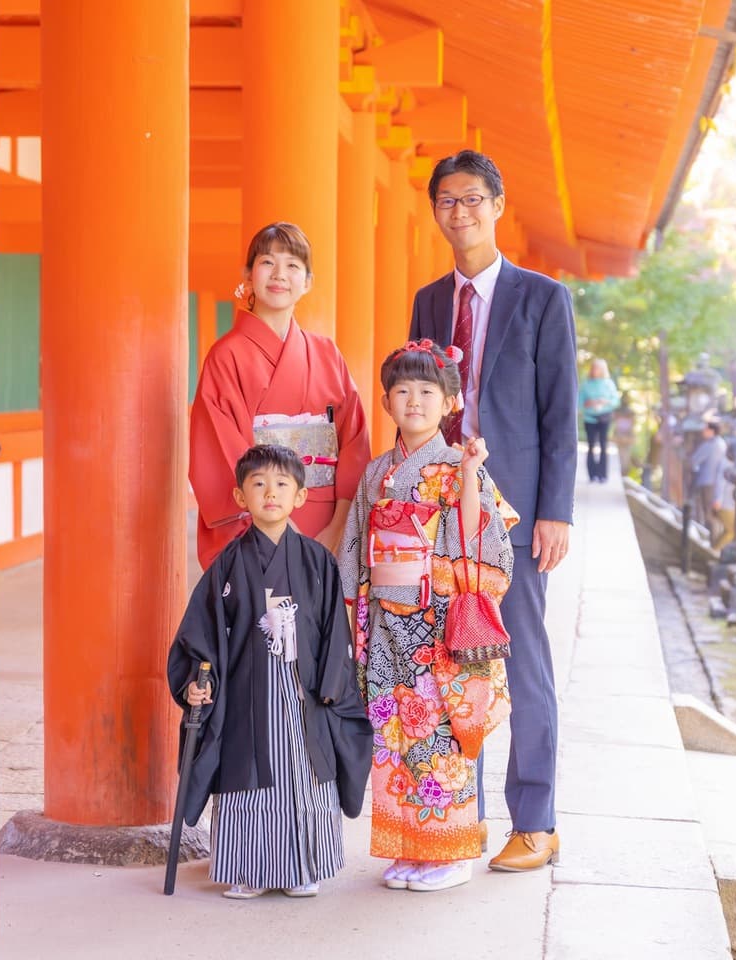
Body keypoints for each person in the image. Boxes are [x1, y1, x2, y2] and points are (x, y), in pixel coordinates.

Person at [408, 149, 577, 872]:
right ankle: (457, 818)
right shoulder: (428, 302)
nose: (461, 212)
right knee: (447, 659)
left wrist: (555, 511)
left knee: (523, 657)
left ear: (498, 206)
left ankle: (535, 822)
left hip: (515, 512)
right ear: (436, 212)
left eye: (473, 198)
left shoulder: (542, 298)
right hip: (444, 506)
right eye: (448, 200)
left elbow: (559, 412)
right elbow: (417, 403)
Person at [337, 340, 517, 893]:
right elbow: (355, 549)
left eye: (426, 391)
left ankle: (453, 852)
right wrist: (352, 614)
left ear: (450, 403)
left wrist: (470, 474)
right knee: (394, 736)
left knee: (439, 736)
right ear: (386, 402)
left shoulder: (459, 464)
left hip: (435, 627)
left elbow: (477, 537)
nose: (413, 401)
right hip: (386, 625)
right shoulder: (377, 472)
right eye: (402, 390)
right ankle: (411, 847)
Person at [167, 444, 372, 900]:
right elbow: (199, 635)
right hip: (246, 692)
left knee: (304, 779)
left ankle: (304, 867)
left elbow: (335, 631)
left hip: (304, 692)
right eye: (258, 484)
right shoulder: (226, 565)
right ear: (241, 497)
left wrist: (332, 686)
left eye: (282, 484)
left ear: (300, 496)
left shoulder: (318, 561)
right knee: (247, 783)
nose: (270, 493)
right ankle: (249, 869)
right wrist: (197, 683)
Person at [190, 222, 372, 569]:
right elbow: (222, 451)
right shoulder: (226, 356)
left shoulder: (327, 353)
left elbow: (354, 441)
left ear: (307, 281)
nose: (279, 275)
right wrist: (281, 531)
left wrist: (338, 527)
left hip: (326, 527)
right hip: (256, 524)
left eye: (292, 265)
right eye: (267, 262)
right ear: (249, 274)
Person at [578, 358, 620, 483]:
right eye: (593, 368)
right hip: (590, 419)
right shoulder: (586, 384)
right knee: (591, 446)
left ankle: (602, 475)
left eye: (597, 368)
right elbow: (579, 403)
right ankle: (592, 475)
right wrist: (588, 403)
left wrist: (605, 401)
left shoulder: (608, 384)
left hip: (604, 419)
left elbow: (616, 401)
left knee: (603, 445)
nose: (594, 370)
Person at [689, 420, 728, 544]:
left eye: (705, 429)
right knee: (715, 514)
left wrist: (695, 468)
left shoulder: (710, 445)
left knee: (709, 514)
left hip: (707, 482)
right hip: (717, 483)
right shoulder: (722, 443)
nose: (703, 431)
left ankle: (712, 543)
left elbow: (694, 460)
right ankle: (716, 542)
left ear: (711, 431)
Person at [611, 394, 637, 479]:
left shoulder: (629, 412)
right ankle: (621, 474)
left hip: (626, 435)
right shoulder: (619, 411)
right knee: (621, 456)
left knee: (625, 456)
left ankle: (624, 474)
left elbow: (633, 423)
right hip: (620, 435)